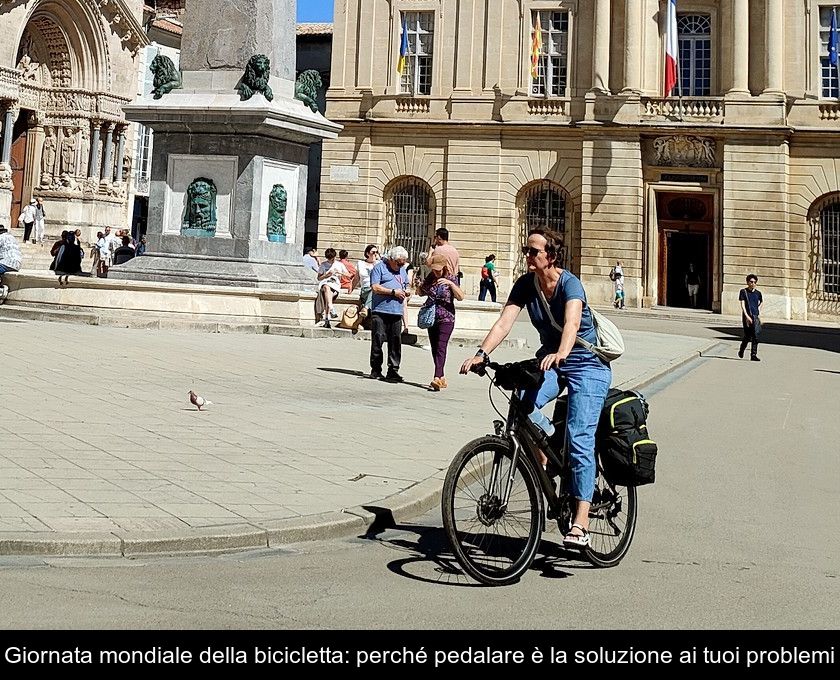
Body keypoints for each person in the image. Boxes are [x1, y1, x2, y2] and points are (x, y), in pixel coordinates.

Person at [460, 227, 612, 550]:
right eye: (526, 250)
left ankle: (581, 524)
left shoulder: (571, 284)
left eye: (533, 251)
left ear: (551, 256)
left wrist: (562, 352)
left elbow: (571, 323)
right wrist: (481, 354)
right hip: (552, 361)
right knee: (523, 403)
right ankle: (547, 451)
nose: (526, 255)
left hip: (586, 363)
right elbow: (504, 322)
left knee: (580, 435)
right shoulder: (526, 284)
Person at [419, 253, 464, 391]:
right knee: (434, 347)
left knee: (441, 346)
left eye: (438, 269)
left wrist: (450, 284)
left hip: (447, 317)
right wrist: (419, 286)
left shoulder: (451, 278)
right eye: (434, 269)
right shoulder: (431, 278)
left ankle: (437, 377)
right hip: (432, 317)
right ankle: (442, 376)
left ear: (444, 267)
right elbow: (421, 293)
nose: (436, 272)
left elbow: (461, 296)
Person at [369, 246, 410, 382]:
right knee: (378, 339)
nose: (400, 265)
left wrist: (407, 291)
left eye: (403, 263)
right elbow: (375, 287)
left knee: (395, 342)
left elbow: (407, 286)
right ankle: (376, 369)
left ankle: (393, 370)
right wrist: (393, 292)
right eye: (399, 263)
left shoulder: (403, 271)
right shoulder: (379, 268)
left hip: (396, 311)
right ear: (391, 259)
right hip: (380, 310)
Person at [315, 248, 349, 328]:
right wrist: (326, 275)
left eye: (332, 259)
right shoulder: (323, 265)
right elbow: (319, 278)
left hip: (335, 285)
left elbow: (348, 275)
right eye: (329, 259)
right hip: (325, 283)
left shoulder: (339, 264)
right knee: (327, 287)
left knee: (328, 295)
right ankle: (331, 308)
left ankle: (327, 318)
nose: (331, 261)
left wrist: (339, 272)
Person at [738, 273, 763, 362]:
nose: (753, 284)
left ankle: (753, 355)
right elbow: (742, 305)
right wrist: (747, 316)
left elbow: (760, 303)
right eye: (751, 282)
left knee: (756, 336)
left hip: (755, 316)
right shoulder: (743, 292)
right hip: (746, 317)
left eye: (754, 282)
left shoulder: (758, 293)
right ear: (747, 282)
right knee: (748, 336)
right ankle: (741, 349)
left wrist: (758, 312)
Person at [355, 244, 379, 326]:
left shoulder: (379, 264)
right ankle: (365, 311)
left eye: (376, 252)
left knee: (374, 289)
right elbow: (356, 278)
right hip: (365, 289)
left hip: (376, 289)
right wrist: (350, 289)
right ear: (368, 253)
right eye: (373, 252)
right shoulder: (360, 263)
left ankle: (364, 310)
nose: (375, 254)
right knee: (372, 290)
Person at [0, 225, 22, 302]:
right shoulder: (11, 237)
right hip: (16, 263)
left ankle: (1, 290)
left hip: (6, 262)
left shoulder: (0, 238)